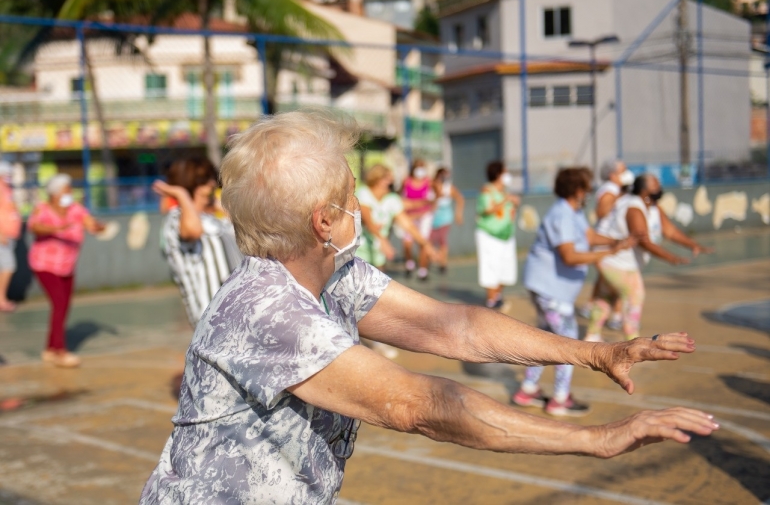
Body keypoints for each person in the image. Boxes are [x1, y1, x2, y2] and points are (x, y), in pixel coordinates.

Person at [139, 110, 718, 505]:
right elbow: (417, 405)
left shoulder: (330, 272)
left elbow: (457, 328)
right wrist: (597, 438)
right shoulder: (267, 311)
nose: (359, 205)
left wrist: (596, 351)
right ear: (323, 222)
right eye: (348, 196)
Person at [514, 168, 634, 416]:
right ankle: (560, 398)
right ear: (578, 190)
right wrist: (609, 253)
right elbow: (569, 256)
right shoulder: (562, 215)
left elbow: (589, 236)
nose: (589, 192)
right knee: (567, 344)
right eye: (587, 188)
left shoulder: (573, 212)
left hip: (552, 291)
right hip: (550, 292)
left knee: (545, 340)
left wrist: (616, 241)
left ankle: (527, 389)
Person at [585, 174, 713, 342]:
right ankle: (633, 342)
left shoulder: (652, 206)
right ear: (644, 190)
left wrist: (692, 245)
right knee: (635, 295)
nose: (660, 188)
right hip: (615, 261)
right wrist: (670, 257)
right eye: (656, 185)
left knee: (606, 296)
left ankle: (592, 335)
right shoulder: (633, 208)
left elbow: (670, 231)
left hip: (615, 261)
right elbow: (643, 241)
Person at [153, 158, 242, 327]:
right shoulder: (176, 218)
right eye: (203, 179)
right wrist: (182, 195)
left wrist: (216, 204)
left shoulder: (211, 218)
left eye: (211, 177)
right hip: (214, 317)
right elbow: (192, 231)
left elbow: (245, 229)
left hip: (238, 308)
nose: (210, 184)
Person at [27, 174, 105, 368]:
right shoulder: (42, 209)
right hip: (44, 264)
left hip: (67, 266)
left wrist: (97, 227)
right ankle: (60, 351)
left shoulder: (76, 209)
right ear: (55, 193)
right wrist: (58, 227)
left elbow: (89, 222)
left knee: (64, 306)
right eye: (66, 189)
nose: (70, 193)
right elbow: (35, 227)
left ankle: (50, 348)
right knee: (59, 303)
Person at [577, 159, 635, 328]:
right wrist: (619, 196)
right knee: (617, 279)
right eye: (622, 171)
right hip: (605, 239)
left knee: (605, 279)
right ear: (612, 175)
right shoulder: (611, 190)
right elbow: (601, 212)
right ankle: (616, 314)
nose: (626, 173)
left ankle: (591, 305)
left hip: (610, 239)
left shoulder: (616, 190)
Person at [356, 164, 434, 272]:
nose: (391, 182)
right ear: (378, 179)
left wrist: (425, 244)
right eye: (388, 179)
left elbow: (408, 225)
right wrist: (382, 240)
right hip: (357, 253)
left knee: (378, 283)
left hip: (379, 255)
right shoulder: (363, 193)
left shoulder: (391, 199)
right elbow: (368, 220)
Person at [476, 160, 520, 309]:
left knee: (505, 270)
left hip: (506, 235)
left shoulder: (505, 193)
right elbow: (487, 209)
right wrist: (506, 200)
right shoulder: (487, 191)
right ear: (498, 174)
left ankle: (497, 296)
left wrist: (514, 204)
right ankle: (491, 302)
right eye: (505, 172)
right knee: (491, 268)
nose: (507, 175)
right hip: (490, 235)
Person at [399, 159, 434, 280]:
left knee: (423, 242)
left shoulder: (428, 182)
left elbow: (432, 200)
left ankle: (423, 269)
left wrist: (423, 210)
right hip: (410, 216)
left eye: (422, 167)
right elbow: (400, 198)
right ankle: (409, 263)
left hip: (424, 216)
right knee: (407, 243)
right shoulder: (406, 181)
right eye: (418, 167)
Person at [430, 167, 464, 274]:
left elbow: (460, 199)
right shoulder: (431, 185)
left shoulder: (449, 188)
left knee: (442, 240)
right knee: (430, 240)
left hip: (445, 217)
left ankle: (443, 263)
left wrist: (458, 214)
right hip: (431, 216)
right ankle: (432, 259)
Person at [0, 162, 21, 312]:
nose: (9, 176)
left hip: (9, 234)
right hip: (3, 235)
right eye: (6, 174)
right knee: (8, 266)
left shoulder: (7, 190)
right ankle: (1, 300)